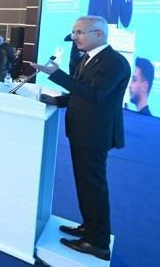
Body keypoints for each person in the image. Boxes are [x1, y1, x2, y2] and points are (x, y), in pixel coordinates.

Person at [31, 16, 129, 261]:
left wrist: (56, 74)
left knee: (93, 187)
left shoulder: (115, 62)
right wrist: (56, 100)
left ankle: (98, 243)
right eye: (73, 32)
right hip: (83, 132)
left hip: (95, 135)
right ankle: (90, 227)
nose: (74, 37)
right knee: (85, 185)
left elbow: (95, 94)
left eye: (79, 32)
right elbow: (80, 92)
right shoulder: (89, 58)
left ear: (99, 34)